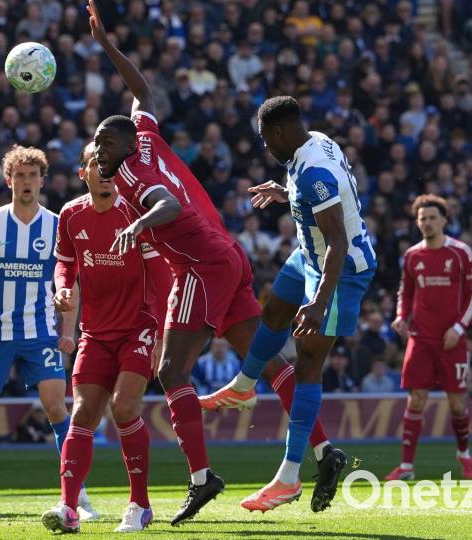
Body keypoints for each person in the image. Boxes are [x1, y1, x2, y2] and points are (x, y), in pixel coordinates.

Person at [87, 3, 341, 522]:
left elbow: (169, 204)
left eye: (104, 143)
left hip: (201, 266)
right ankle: (323, 451)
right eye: (95, 144)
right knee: (270, 363)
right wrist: (109, 47)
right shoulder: (148, 138)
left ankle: (202, 479)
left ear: (126, 144)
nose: (97, 151)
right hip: (225, 257)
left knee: (171, 369)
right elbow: (144, 93)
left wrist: (137, 224)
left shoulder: (133, 176)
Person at [199, 96, 376, 512]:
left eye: (265, 140)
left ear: (278, 132)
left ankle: (289, 477)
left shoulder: (314, 171)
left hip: (339, 269)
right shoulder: (313, 143)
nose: (265, 147)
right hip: (308, 256)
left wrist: (319, 303)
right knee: (274, 311)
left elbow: (338, 241)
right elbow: (321, 200)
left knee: (307, 363)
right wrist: (286, 193)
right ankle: (244, 387)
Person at [0, 145, 96, 523]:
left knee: (58, 409)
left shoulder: (59, 225)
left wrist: (67, 331)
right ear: (9, 180)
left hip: (41, 332)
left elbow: (70, 285)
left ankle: (79, 500)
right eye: (20, 176)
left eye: (33, 176)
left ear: (43, 181)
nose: (27, 183)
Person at [40, 143, 172, 533]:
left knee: (124, 407)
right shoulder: (70, 214)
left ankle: (139, 505)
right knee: (81, 414)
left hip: (139, 327)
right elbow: (64, 265)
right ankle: (68, 508)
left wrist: (163, 333)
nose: (104, 169)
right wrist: (61, 289)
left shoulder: (135, 215)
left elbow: (162, 276)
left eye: (109, 162)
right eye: (96, 163)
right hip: (95, 334)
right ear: (83, 172)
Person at [385, 195, 472, 481]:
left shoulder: (461, 253)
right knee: (416, 400)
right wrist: (402, 316)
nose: (426, 223)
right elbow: (406, 292)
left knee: (456, 404)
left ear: (444, 220)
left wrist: (460, 328)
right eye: (422, 219)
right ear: (417, 223)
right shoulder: (413, 255)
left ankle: (464, 454)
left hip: (452, 339)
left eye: (431, 218)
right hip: (421, 339)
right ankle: (406, 467)